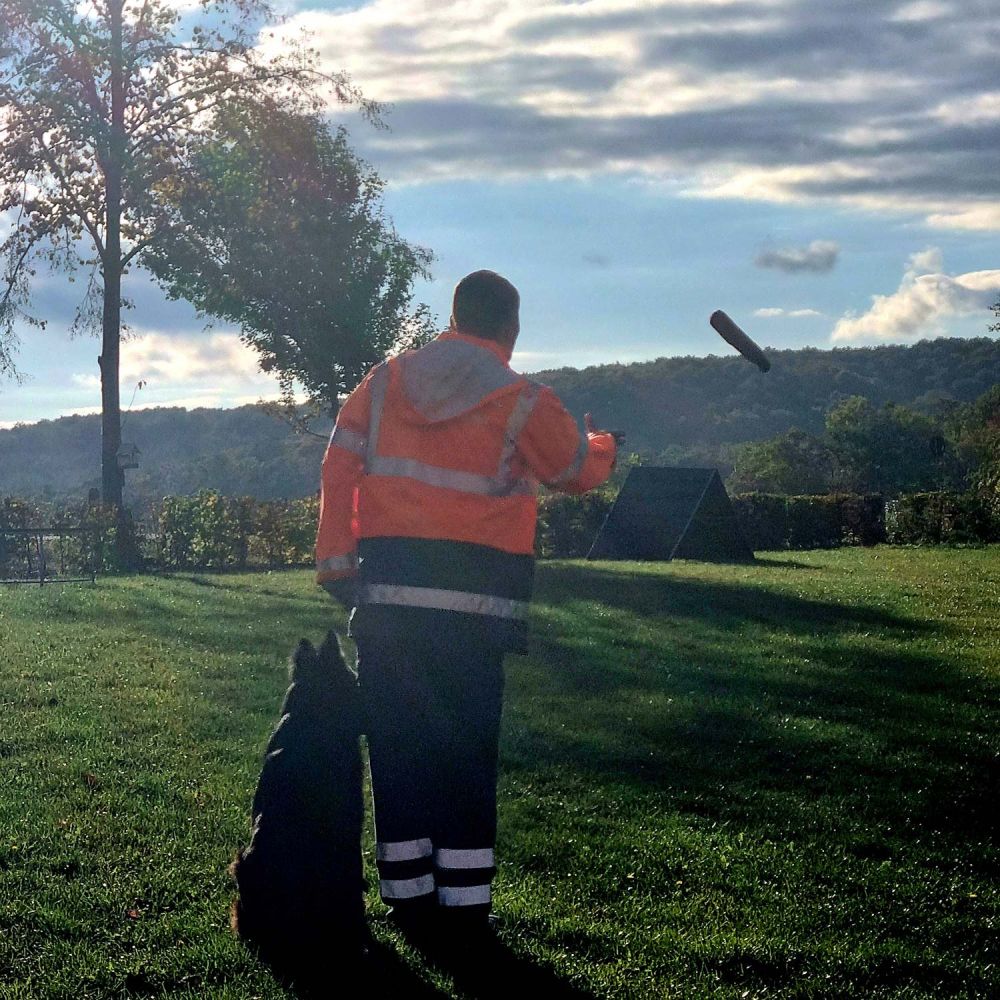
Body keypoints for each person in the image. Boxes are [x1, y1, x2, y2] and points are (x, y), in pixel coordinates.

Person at [315, 270, 621, 947]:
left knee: (397, 748)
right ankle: (463, 903)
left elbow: (338, 465)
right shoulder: (522, 398)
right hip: (477, 612)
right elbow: (573, 470)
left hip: (390, 602)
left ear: (453, 318)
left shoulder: (383, 383)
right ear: (510, 329)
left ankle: (407, 897)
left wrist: (336, 563)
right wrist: (604, 446)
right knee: (465, 752)